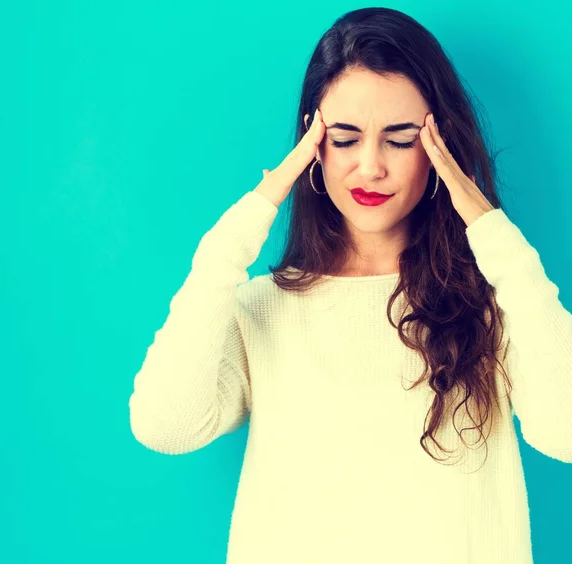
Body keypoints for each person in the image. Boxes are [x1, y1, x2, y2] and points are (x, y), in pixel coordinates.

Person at [129, 7, 572, 564]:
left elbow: (566, 430)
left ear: (439, 148)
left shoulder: (497, 304)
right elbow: (165, 424)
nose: (370, 167)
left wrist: (490, 231)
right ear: (312, 146)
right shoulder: (260, 309)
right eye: (343, 138)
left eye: (401, 138)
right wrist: (240, 230)